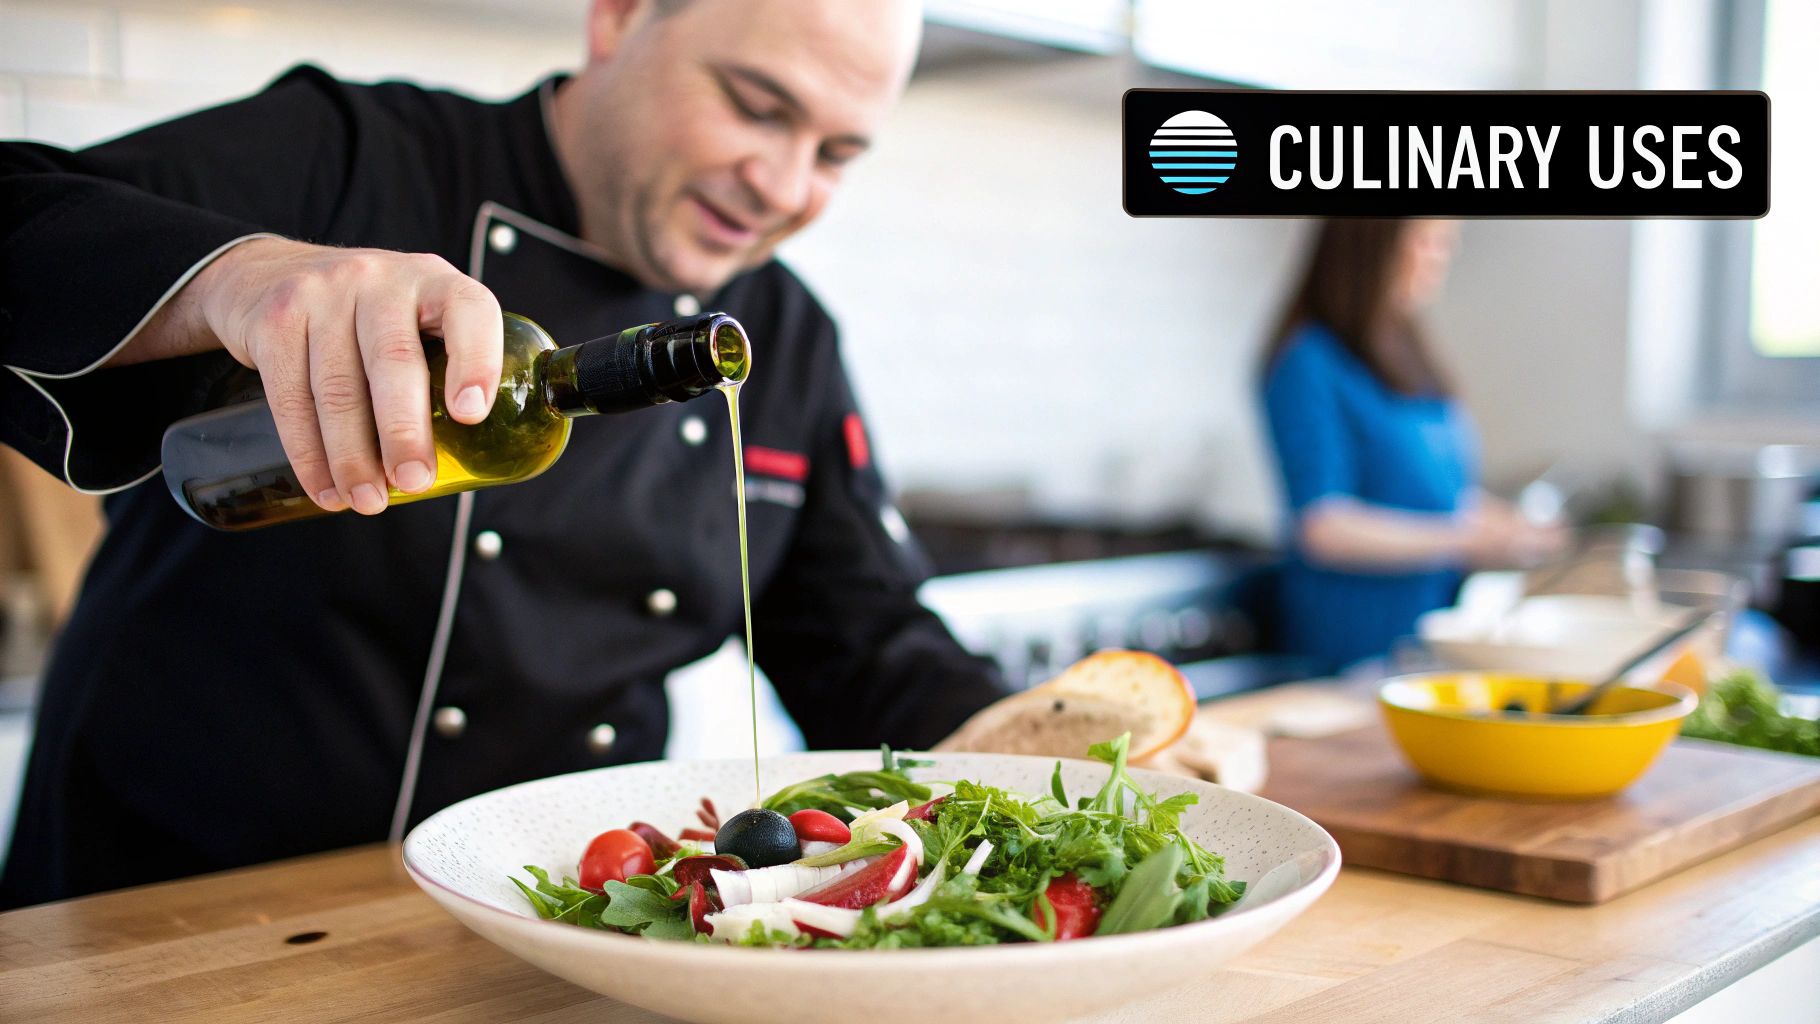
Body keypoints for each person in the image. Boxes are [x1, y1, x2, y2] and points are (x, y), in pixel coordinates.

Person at [0, 0, 1016, 908]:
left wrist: (1065, 749)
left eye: (836, 154)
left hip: (545, 937)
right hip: (172, 918)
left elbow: (865, 637)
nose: (782, 184)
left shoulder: (782, 336)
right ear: (615, 17)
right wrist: (235, 277)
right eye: (754, 106)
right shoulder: (354, 159)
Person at [1259, 219, 1566, 674]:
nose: (1442, 256)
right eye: (1427, 241)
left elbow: (1435, 495)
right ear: (1371, 247)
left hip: (1429, 632)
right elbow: (1322, 525)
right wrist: (1467, 540)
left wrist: (1506, 527)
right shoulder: (1308, 362)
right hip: (1355, 646)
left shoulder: (1402, 347)